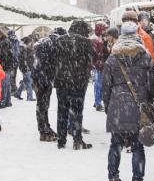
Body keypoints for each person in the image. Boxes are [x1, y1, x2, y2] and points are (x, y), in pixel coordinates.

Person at [102, 14, 154, 181]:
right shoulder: (145, 56)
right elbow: (151, 84)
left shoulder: (112, 58)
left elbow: (105, 87)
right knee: (137, 145)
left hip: (117, 105)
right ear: (136, 34)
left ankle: (112, 178)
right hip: (137, 105)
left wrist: (108, 105)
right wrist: (146, 102)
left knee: (115, 144)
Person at [54, 20, 93, 150]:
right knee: (77, 112)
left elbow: (54, 62)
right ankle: (77, 140)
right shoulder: (86, 42)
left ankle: (61, 140)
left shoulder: (59, 40)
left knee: (62, 111)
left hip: (62, 82)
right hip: (78, 82)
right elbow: (88, 63)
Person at [32, 28, 65, 141]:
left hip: (39, 78)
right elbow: (52, 63)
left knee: (41, 105)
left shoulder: (45, 41)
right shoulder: (55, 43)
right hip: (44, 79)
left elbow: (38, 62)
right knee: (43, 106)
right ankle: (44, 131)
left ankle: (46, 128)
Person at [0, 28, 14, 108]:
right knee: (7, 85)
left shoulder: (3, 42)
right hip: (6, 66)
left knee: (4, 85)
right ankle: (8, 101)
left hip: (4, 66)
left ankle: (3, 102)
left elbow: (2, 54)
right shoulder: (5, 41)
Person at [91, 22, 108, 111]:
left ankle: (97, 102)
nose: (105, 30)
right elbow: (97, 53)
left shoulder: (99, 38)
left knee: (98, 85)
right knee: (99, 85)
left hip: (99, 65)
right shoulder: (96, 39)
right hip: (99, 66)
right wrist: (99, 63)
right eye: (104, 29)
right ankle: (98, 103)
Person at [15, 36, 35, 101]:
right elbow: (24, 60)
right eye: (30, 42)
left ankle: (17, 93)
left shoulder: (27, 48)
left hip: (28, 67)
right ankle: (30, 97)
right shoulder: (23, 49)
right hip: (26, 67)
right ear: (27, 42)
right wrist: (26, 67)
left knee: (25, 81)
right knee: (29, 81)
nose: (31, 43)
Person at [8, 29, 21, 96]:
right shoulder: (17, 40)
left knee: (10, 76)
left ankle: (12, 89)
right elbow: (17, 51)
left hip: (11, 60)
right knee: (13, 76)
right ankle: (14, 89)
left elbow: (13, 52)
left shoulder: (9, 40)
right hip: (16, 61)